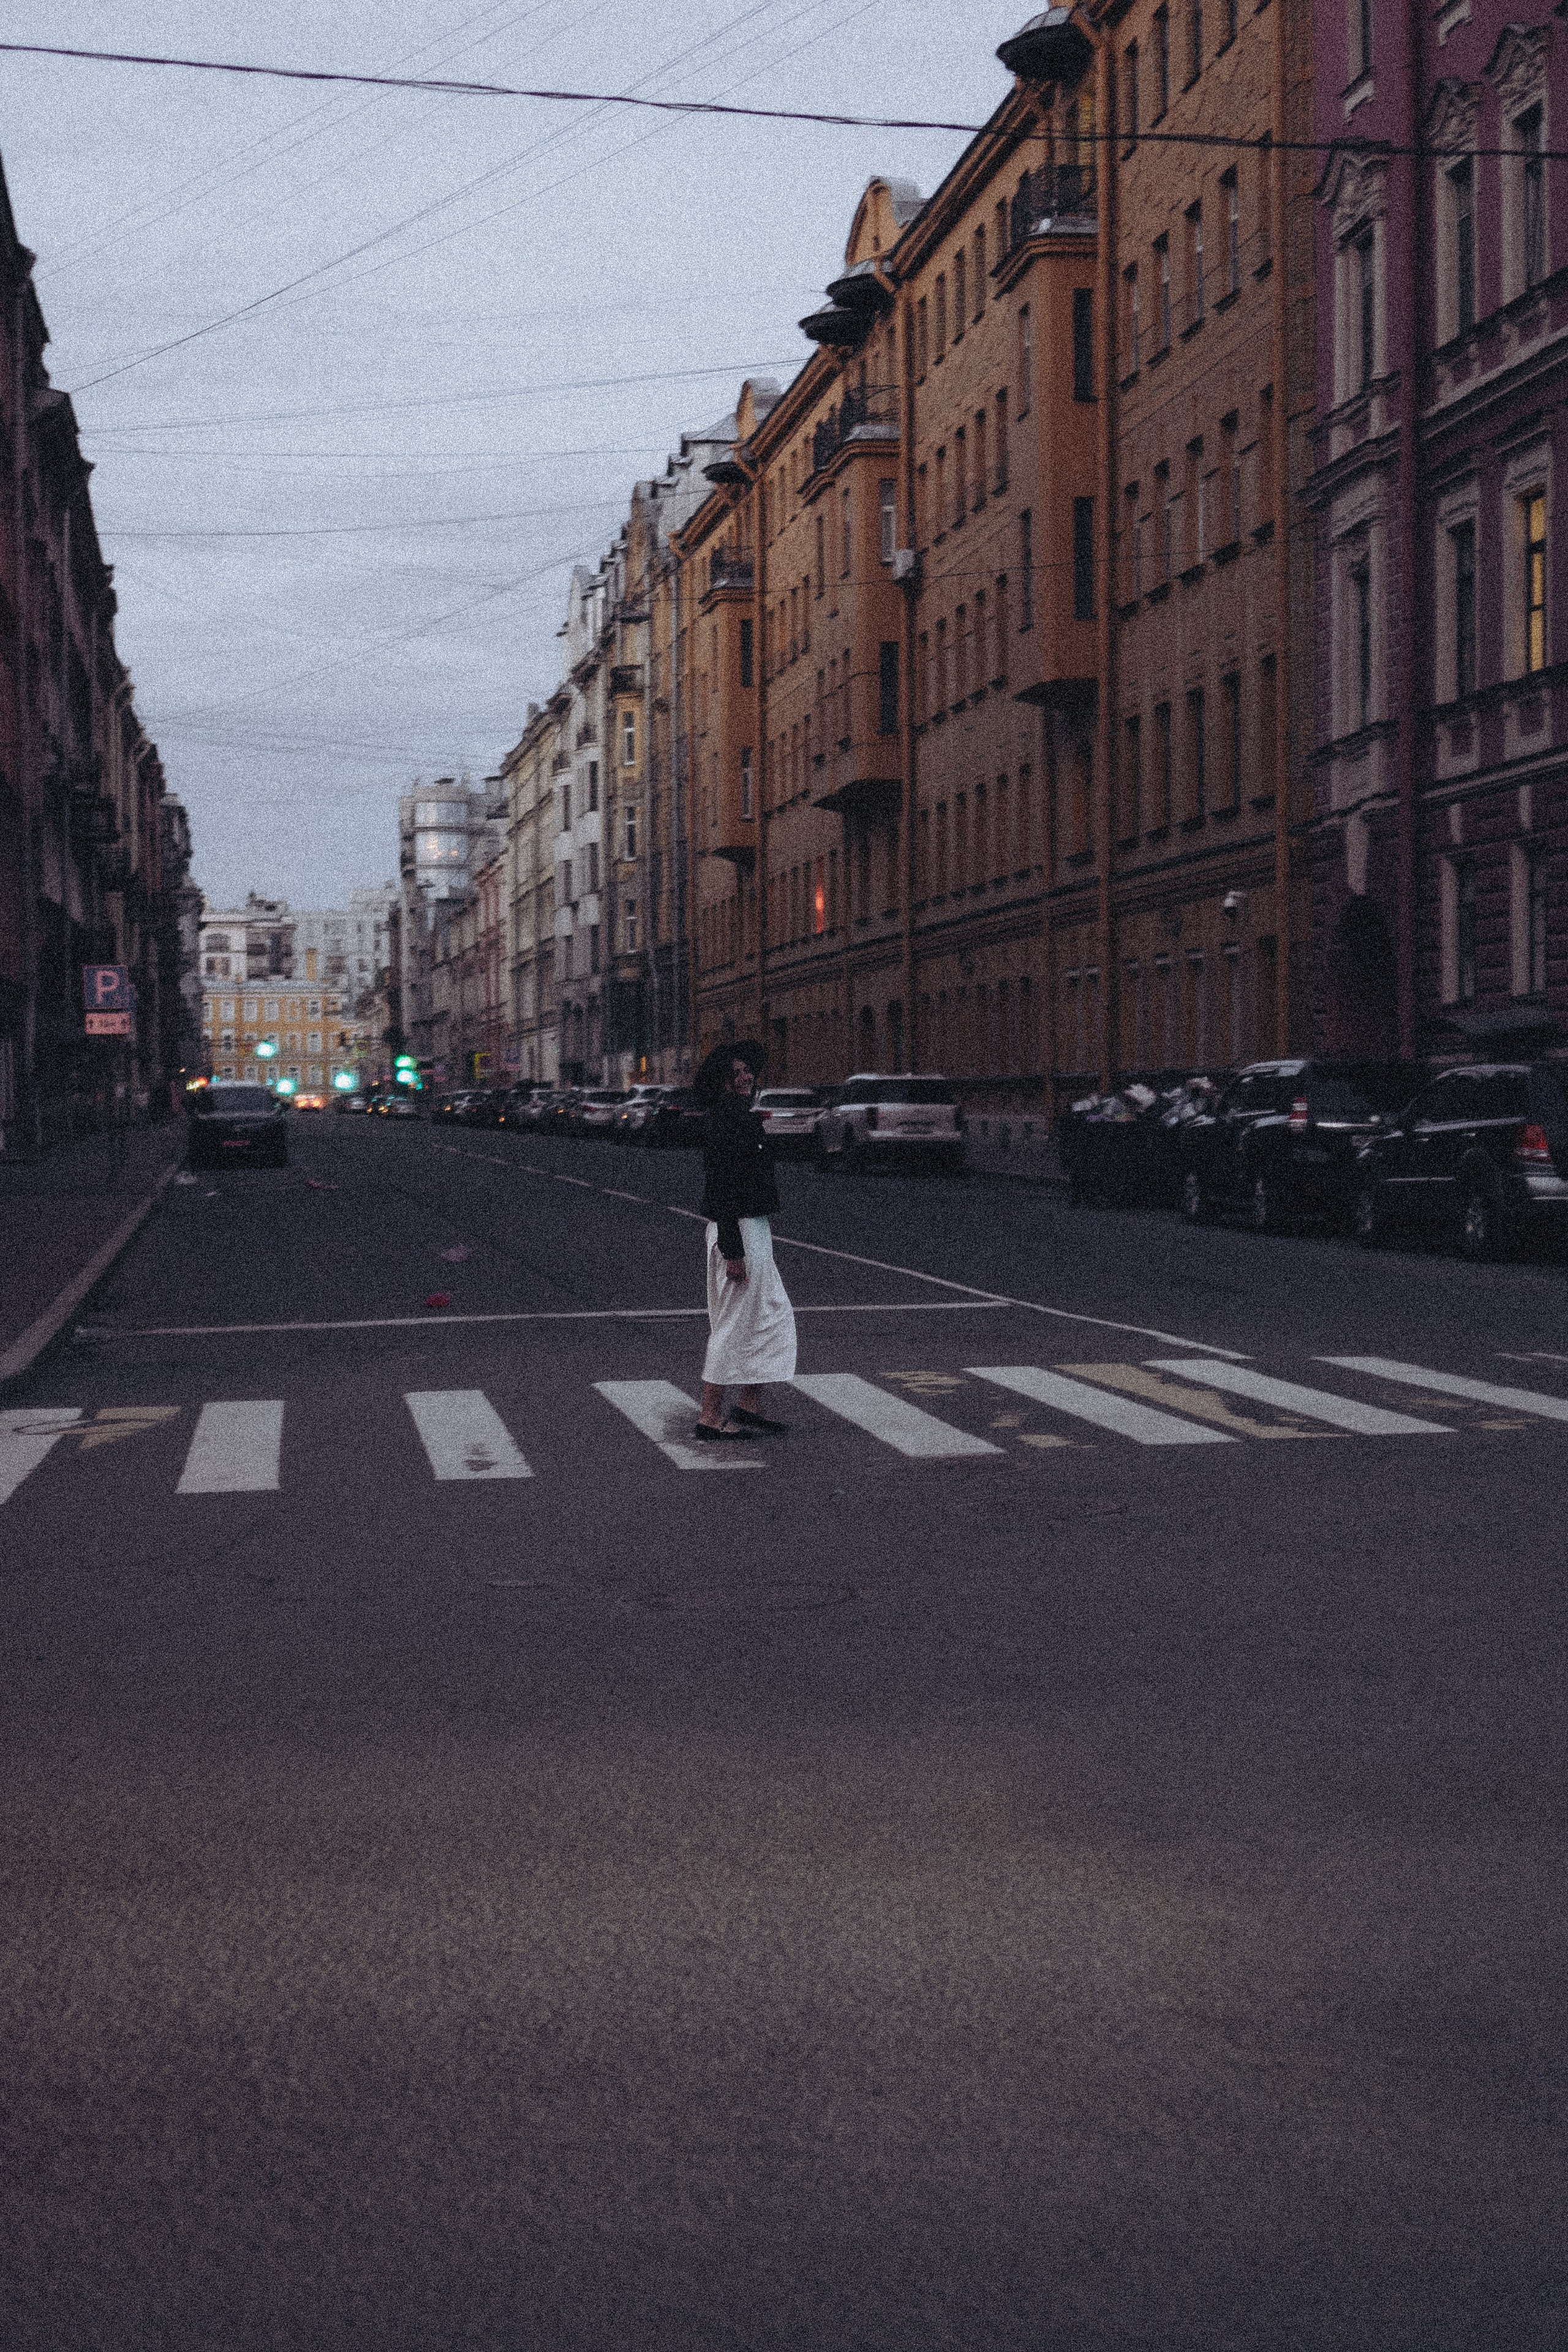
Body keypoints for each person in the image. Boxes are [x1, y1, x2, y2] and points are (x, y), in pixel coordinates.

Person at [691, 1040, 797, 1439]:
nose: (745, 1077)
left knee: (769, 1316)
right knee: (734, 1324)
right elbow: (721, 1188)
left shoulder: (741, 1116)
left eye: (747, 1071)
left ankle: (750, 1404)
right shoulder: (724, 1120)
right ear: (722, 1082)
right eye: (735, 1073)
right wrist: (732, 1251)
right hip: (736, 1229)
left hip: (755, 1227)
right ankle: (710, 1416)